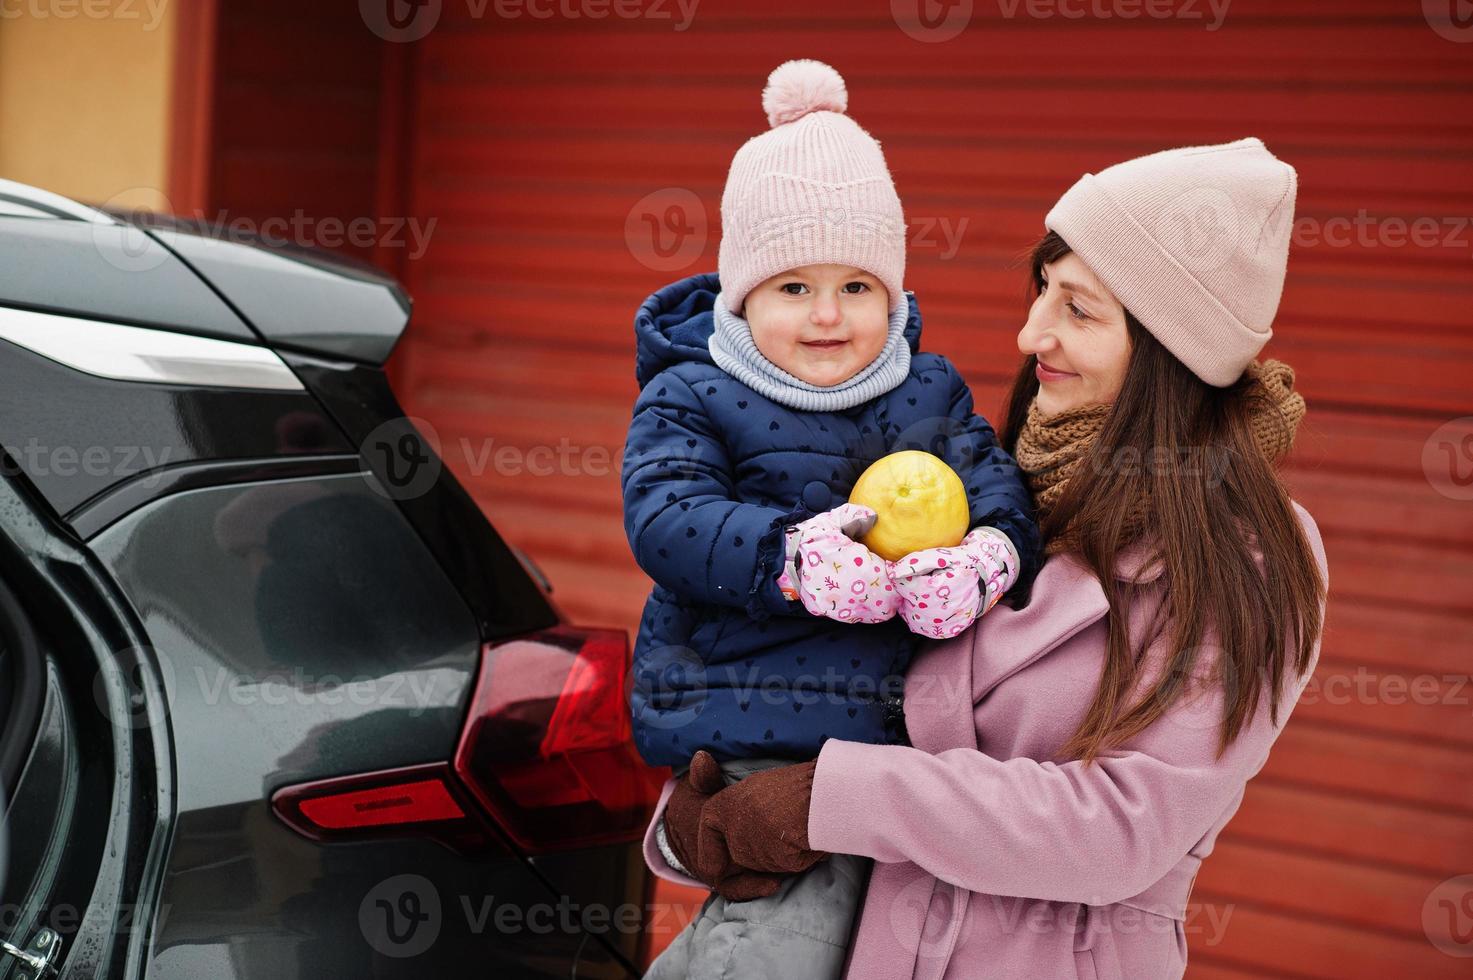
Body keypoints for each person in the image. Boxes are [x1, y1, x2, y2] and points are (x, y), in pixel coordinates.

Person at [647, 136, 1328, 979]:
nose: (1029, 330)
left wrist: (829, 798)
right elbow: (841, 669)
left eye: (1078, 310)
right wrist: (715, 801)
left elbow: (1119, 828)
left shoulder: (1249, 558)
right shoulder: (994, 486)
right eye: (1042, 290)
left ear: (1169, 350)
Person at [621, 60, 1041, 978]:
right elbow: (666, 515)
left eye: (857, 287)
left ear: (892, 294)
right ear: (741, 295)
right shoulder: (692, 393)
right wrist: (789, 560)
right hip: (749, 733)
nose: (827, 316)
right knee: (777, 949)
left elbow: (1001, 489)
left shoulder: (926, 393)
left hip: (885, 753)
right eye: (793, 288)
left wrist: (984, 558)